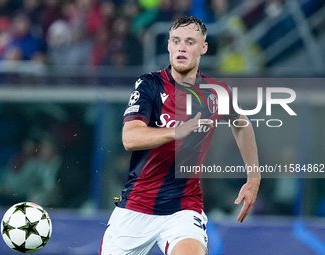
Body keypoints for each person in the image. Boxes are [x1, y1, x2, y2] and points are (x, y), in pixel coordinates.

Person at [100, 16, 260, 255]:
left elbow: (241, 124)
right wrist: (176, 131)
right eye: (176, 41)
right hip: (136, 207)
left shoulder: (216, 92)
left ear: (203, 48)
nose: (182, 47)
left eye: (190, 42)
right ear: (168, 45)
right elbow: (130, 138)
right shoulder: (149, 85)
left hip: (183, 209)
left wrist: (254, 176)